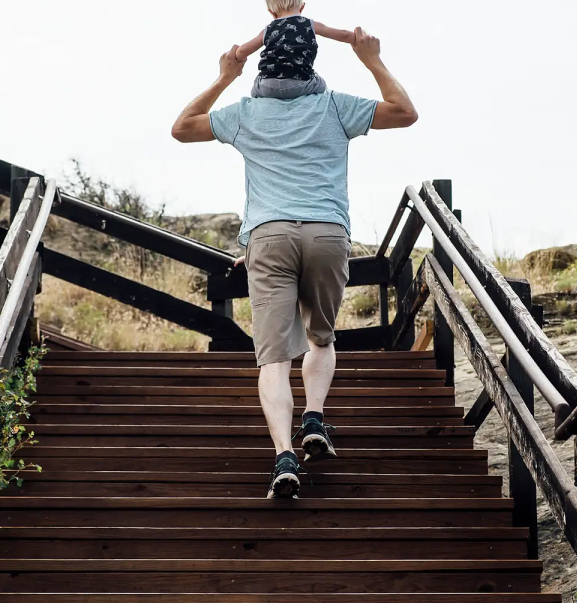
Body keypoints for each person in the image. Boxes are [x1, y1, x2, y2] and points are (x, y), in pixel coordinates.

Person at [171, 26, 417, 498]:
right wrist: (371, 59)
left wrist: (225, 75)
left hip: (268, 238)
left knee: (275, 359)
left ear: (262, 69)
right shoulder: (336, 107)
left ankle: (285, 453)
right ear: (312, 63)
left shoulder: (244, 114)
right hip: (327, 233)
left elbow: (182, 127)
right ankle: (315, 420)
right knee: (320, 338)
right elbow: (406, 113)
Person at [234, 0, 355, 100]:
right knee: (321, 83)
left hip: (268, 86)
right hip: (300, 84)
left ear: (272, 13)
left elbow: (241, 52)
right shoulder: (310, 24)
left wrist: (238, 64)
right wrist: (358, 38)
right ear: (302, 7)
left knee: (256, 85)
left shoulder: (267, 30)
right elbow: (343, 34)